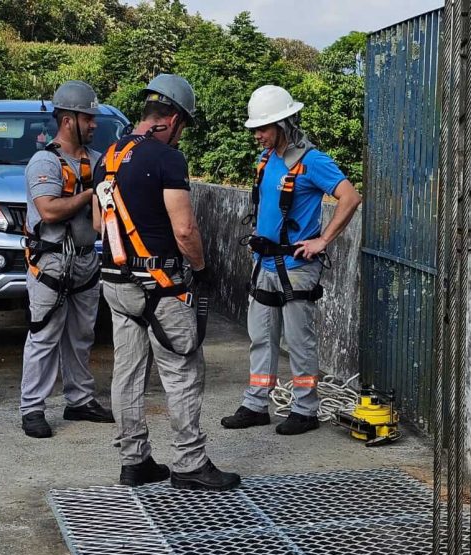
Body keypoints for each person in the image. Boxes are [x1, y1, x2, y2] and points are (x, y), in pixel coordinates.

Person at [93, 74, 241, 491]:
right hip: (161, 284)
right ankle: (190, 463)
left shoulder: (107, 157)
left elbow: (95, 224)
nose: (180, 137)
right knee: (182, 369)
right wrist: (202, 269)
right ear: (172, 119)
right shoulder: (167, 159)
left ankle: (134, 460)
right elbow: (185, 229)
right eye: (183, 127)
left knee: (128, 372)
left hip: (116, 282)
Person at [221, 85, 362, 435]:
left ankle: (305, 409)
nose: (257, 136)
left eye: (263, 129)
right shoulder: (267, 160)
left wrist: (323, 240)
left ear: (284, 124)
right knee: (261, 337)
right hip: (265, 263)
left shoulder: (313, 161)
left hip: (296, 267)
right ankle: (256, 403)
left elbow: (350, 197)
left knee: (299, 341)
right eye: (255, 129)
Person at [20, 80, 114, 438]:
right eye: (87, 118)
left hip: (86, 261)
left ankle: (80, 400)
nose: (93, 124)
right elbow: (48, 209)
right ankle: (32, 408)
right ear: (67, 120)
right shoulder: (45, 161)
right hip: (51, 263)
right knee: (44, 336)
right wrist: (91, 192)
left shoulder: (96, 160)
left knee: (81, 335)